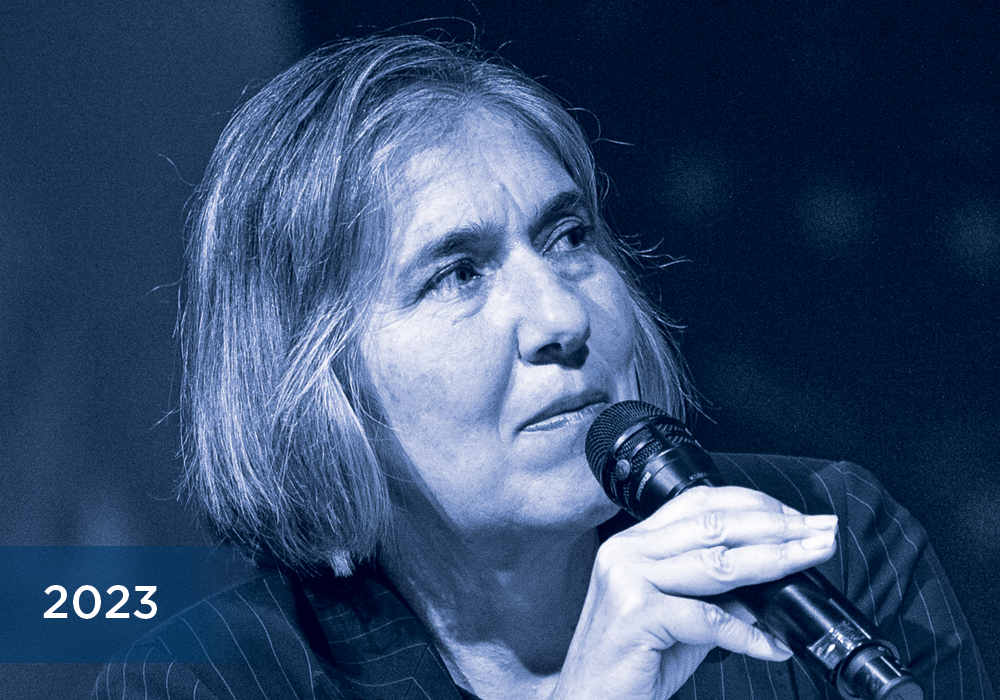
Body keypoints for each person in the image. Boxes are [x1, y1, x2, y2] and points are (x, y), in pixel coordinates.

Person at [94, 34, 994, 700]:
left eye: (568, 237)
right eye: (457, 273)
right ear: (319, 383)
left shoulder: (829, 538)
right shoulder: (204, 682)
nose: (563, 317)